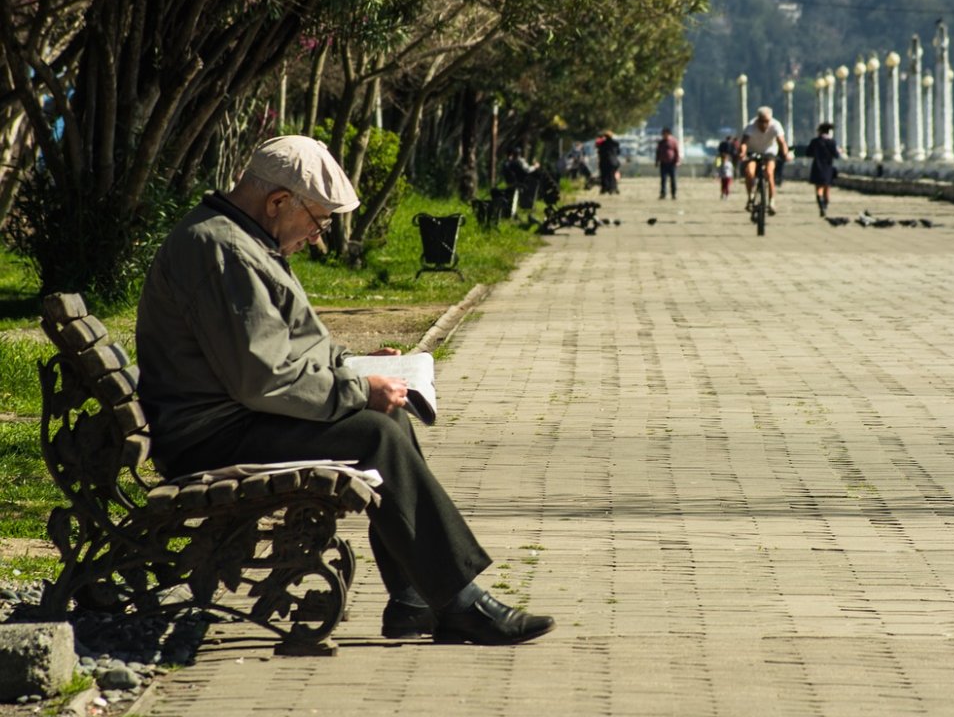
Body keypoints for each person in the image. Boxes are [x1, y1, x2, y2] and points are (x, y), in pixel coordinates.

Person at [135, 135, 556, 645]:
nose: (317, 238)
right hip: (211, 435)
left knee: (388, 420)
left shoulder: (241, 240)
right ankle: (462, 604)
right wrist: (358, 390)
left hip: (232, 419)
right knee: (375, 434)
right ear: (277, 202)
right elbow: (262, 379)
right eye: (318, 222)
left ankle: (415, 599)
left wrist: (354, 368)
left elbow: (279, 352)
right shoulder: (224, 250)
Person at [739, 106, 790, 215]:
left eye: (766, 121)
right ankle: (751, 196)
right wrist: (742, 153)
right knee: (749, 172)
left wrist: (785, 154)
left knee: (769, 173)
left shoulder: (776, 125)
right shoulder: (751, 126)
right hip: (753, 151)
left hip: (769, 151)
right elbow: (744, 142)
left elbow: (781, 142)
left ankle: (771, 201)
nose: (764, 124)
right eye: (761, 121)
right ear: (757, 119)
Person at [805, 122, 840, 217]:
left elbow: (808, 153)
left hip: (817, 166)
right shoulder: (832, 142)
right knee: (827, 188)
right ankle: (825, 205)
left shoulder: (815, 141)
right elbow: (836, 155)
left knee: (818, 189)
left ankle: (821, 206)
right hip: (828, 167)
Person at [656, 126, 681, 200]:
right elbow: (658, 153)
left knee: (673, 179)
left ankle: (674, 194)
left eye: (665, 134)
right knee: (663, 180)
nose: (664, 135)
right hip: (663, 163)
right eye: (663, 134)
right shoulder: (661, 143)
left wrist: (677, 161)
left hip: (672, 164)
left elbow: (676, 152)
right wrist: (657, 161)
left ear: (669, 134)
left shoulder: (673, 142)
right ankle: (663, 193)